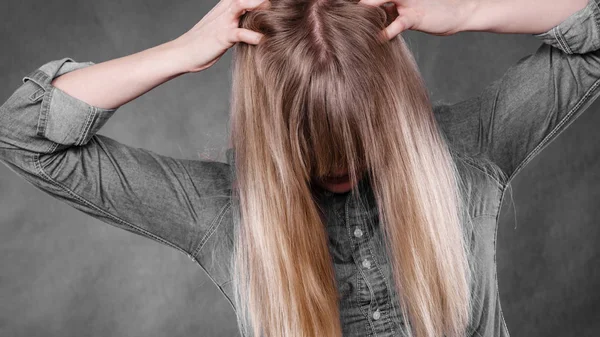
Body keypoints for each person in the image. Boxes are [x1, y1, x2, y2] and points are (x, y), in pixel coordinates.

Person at [0, 0, 595, 336]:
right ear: (270, 131)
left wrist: (467, 9)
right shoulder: (227, 213)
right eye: (310, 141)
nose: (338, 164)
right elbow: (24, 134)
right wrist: (183, 52)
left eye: (361, 136)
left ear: (392, 108)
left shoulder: (469, 149)